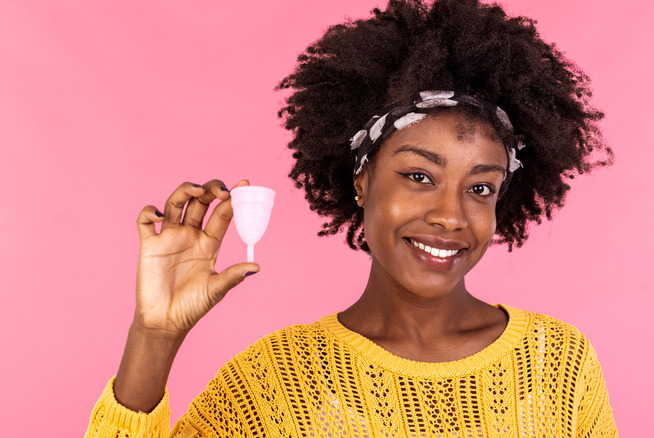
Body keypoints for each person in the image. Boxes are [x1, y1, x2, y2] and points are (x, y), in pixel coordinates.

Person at [85, 0, 617, 436]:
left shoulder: (557, 366)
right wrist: (154, 335)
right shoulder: (275, 384)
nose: (451, 216)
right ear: (362, 181)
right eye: (419, 176)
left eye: (480, 188)